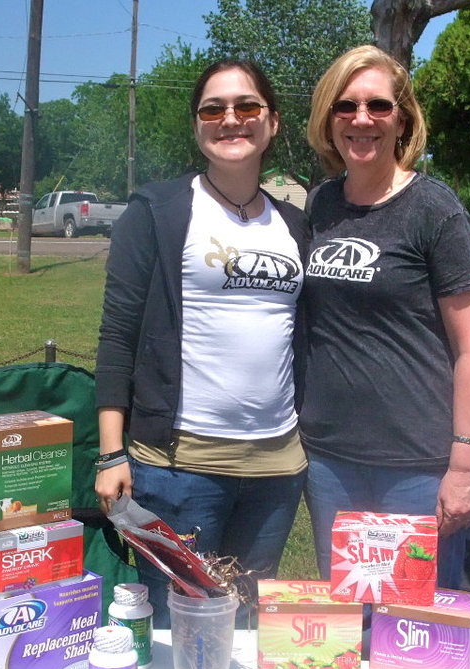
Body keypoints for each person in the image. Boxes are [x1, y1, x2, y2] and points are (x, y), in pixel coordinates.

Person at [93, 58, 312, 625]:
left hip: (276, 469)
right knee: (174, 624)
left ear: (272, 122)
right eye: (213, 109)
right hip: (178, 467)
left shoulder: (295, 225)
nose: (230, 119)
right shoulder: (158, 213)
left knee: (240, 623)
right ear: (197, 126)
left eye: (246, 107)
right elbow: (118, 334)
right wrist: (111, 452)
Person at [301, 45, 470, 589]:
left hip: (416, 464)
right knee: (348, 618)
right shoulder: (319, 207)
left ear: (402, 119)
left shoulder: (435, 210)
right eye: (346, 106)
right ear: (328, 118)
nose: (361, 119)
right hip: (328, 460)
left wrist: (464, 468)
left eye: (378, 106)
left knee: (412, 632)